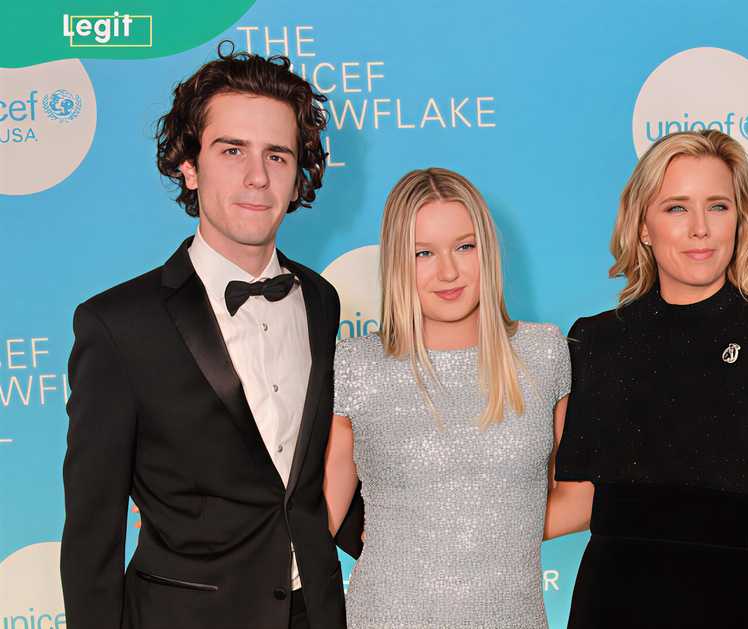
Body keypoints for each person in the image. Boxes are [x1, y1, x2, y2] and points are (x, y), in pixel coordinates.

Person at [61, 45, 360, 629]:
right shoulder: (118, 325)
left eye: (278, 155)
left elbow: (303, 483)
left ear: (299, 174)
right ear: (189, 166)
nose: (257, 176)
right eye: (232, 151)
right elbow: (92, 534)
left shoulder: (321, 300)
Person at [547, 130, 748, 628]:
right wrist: (443, 520)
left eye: (718, 206)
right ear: (643, 226)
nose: (700, 229)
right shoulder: (595, 343)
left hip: (732, 606)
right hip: (609, 606)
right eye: (677, 208)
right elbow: (575, 502)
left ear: (741, 220)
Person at [323, 167, 571, 628]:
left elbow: (578, 494)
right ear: (398, 261)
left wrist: (481, 528)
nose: (449, 271)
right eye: (424, 253)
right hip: (385, 616)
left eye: (464, 246)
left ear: (488, 250)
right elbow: (321, 516)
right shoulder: (357, 364)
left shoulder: (544, 352)